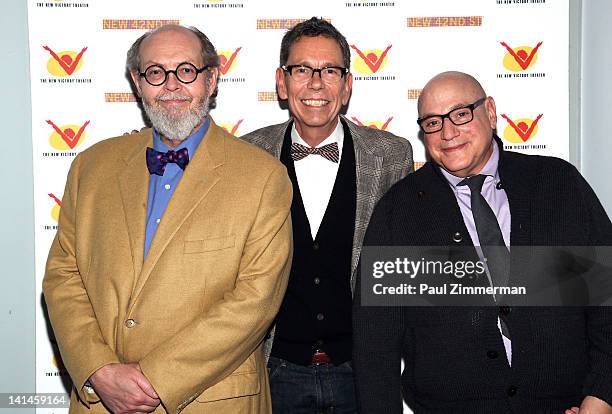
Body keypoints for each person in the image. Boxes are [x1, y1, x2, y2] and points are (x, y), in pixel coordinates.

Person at [43, 24, 292, 414]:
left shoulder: (263, 177)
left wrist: (156, 379)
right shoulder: (91, 167)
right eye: (156, 72)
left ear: (211, 79)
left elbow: (255, 301)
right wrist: (99, 369)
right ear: (137, 83)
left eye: (186, 71)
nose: (171, 85)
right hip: (101, 400)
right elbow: (63, 276)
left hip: (212, 401)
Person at [353, 71, 612, 413]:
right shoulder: (398, 212)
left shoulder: (559, 185)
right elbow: (375, 346)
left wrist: (601, 396)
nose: (448, 132)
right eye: (432, 122)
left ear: (490, 112)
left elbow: (606, 300)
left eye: (461, 114)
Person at [241, 17, 413, 413]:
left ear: (347, 84)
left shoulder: (390, 155)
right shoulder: (247, 154)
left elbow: (403, 266)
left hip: (364, 372)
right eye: (302, 69)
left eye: (329, 71)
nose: (316, 84)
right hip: (274, 373)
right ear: (281, 83)